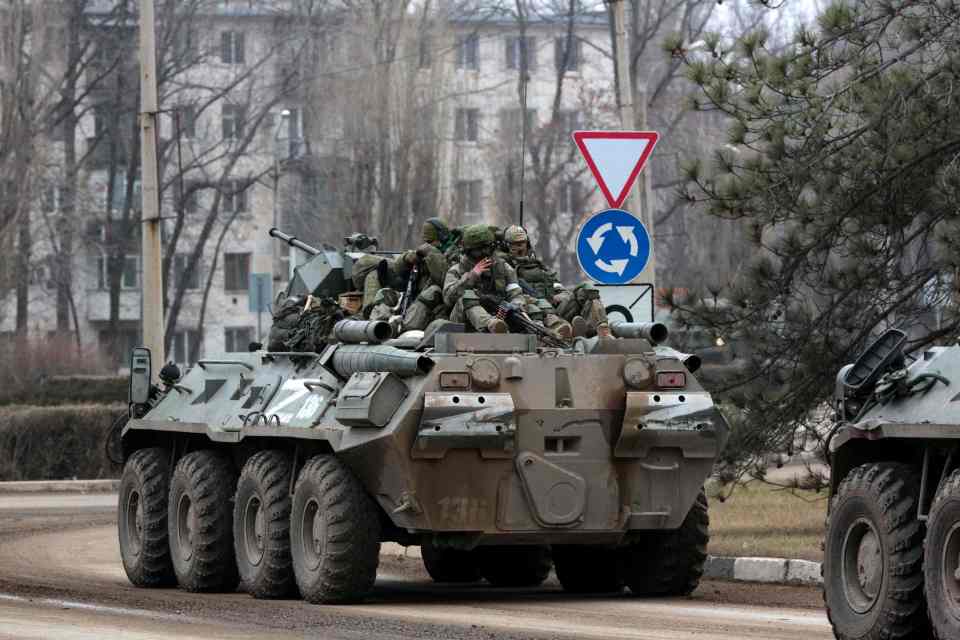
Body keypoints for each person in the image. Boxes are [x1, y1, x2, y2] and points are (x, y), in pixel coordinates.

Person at [443, 224, 524, 333]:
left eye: (487, 248)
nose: (484, 254)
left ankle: (542, 333)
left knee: (529, 306)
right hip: (463, 323)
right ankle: (491, 325)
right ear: (468, 251)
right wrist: (472, 276)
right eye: (478, 250)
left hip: (500, 317)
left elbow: (516, 294)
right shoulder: (457, 270)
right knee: (467, 297)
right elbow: (448, 299)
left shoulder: (503, 267)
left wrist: (513, 305)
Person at [501, 225, 574, 339]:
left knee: (585, 290)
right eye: (515, 243)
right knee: (537, 308)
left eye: (522, 242)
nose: (520, 247)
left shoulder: (538, 265)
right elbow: (510, 294)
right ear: (507, 245)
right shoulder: (505, 266)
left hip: (552, 304)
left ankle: (599, 329)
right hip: (527, 307)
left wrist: (559, 296)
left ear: (527, 243)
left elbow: (557, 286)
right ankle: (555, 330)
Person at [392, 218, 450, 331]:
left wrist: (431, 253)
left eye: (433, 243)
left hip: (435, 307)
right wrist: (406, 259)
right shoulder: (422, 253)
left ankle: (404, 327)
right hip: (414, 305)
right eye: (428, 242)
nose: (430, 245)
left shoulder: (449, 254)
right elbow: (396, 269)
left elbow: (444, 279)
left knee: (432, 291)